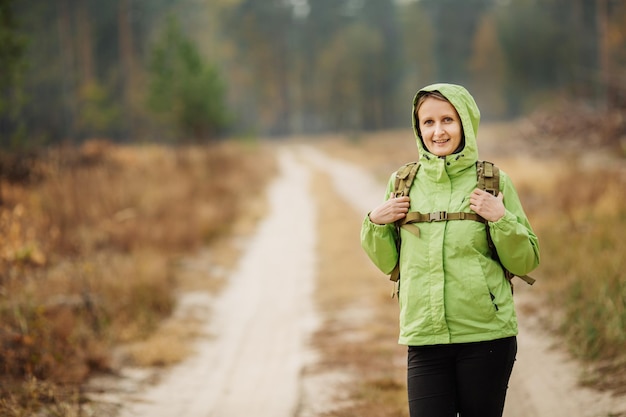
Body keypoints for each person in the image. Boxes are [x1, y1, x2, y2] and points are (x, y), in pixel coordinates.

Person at [360, 83, 540, 417]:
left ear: (466, 124)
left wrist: (500, 219)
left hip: (486, 337)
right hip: (424, 337)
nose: (438, 131)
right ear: (418, 128)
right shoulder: (402, 183)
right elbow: (390, 263)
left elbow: (526, 258)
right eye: (428, 122)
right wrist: (375, 222)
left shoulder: (494, 181)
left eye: (448, 120)